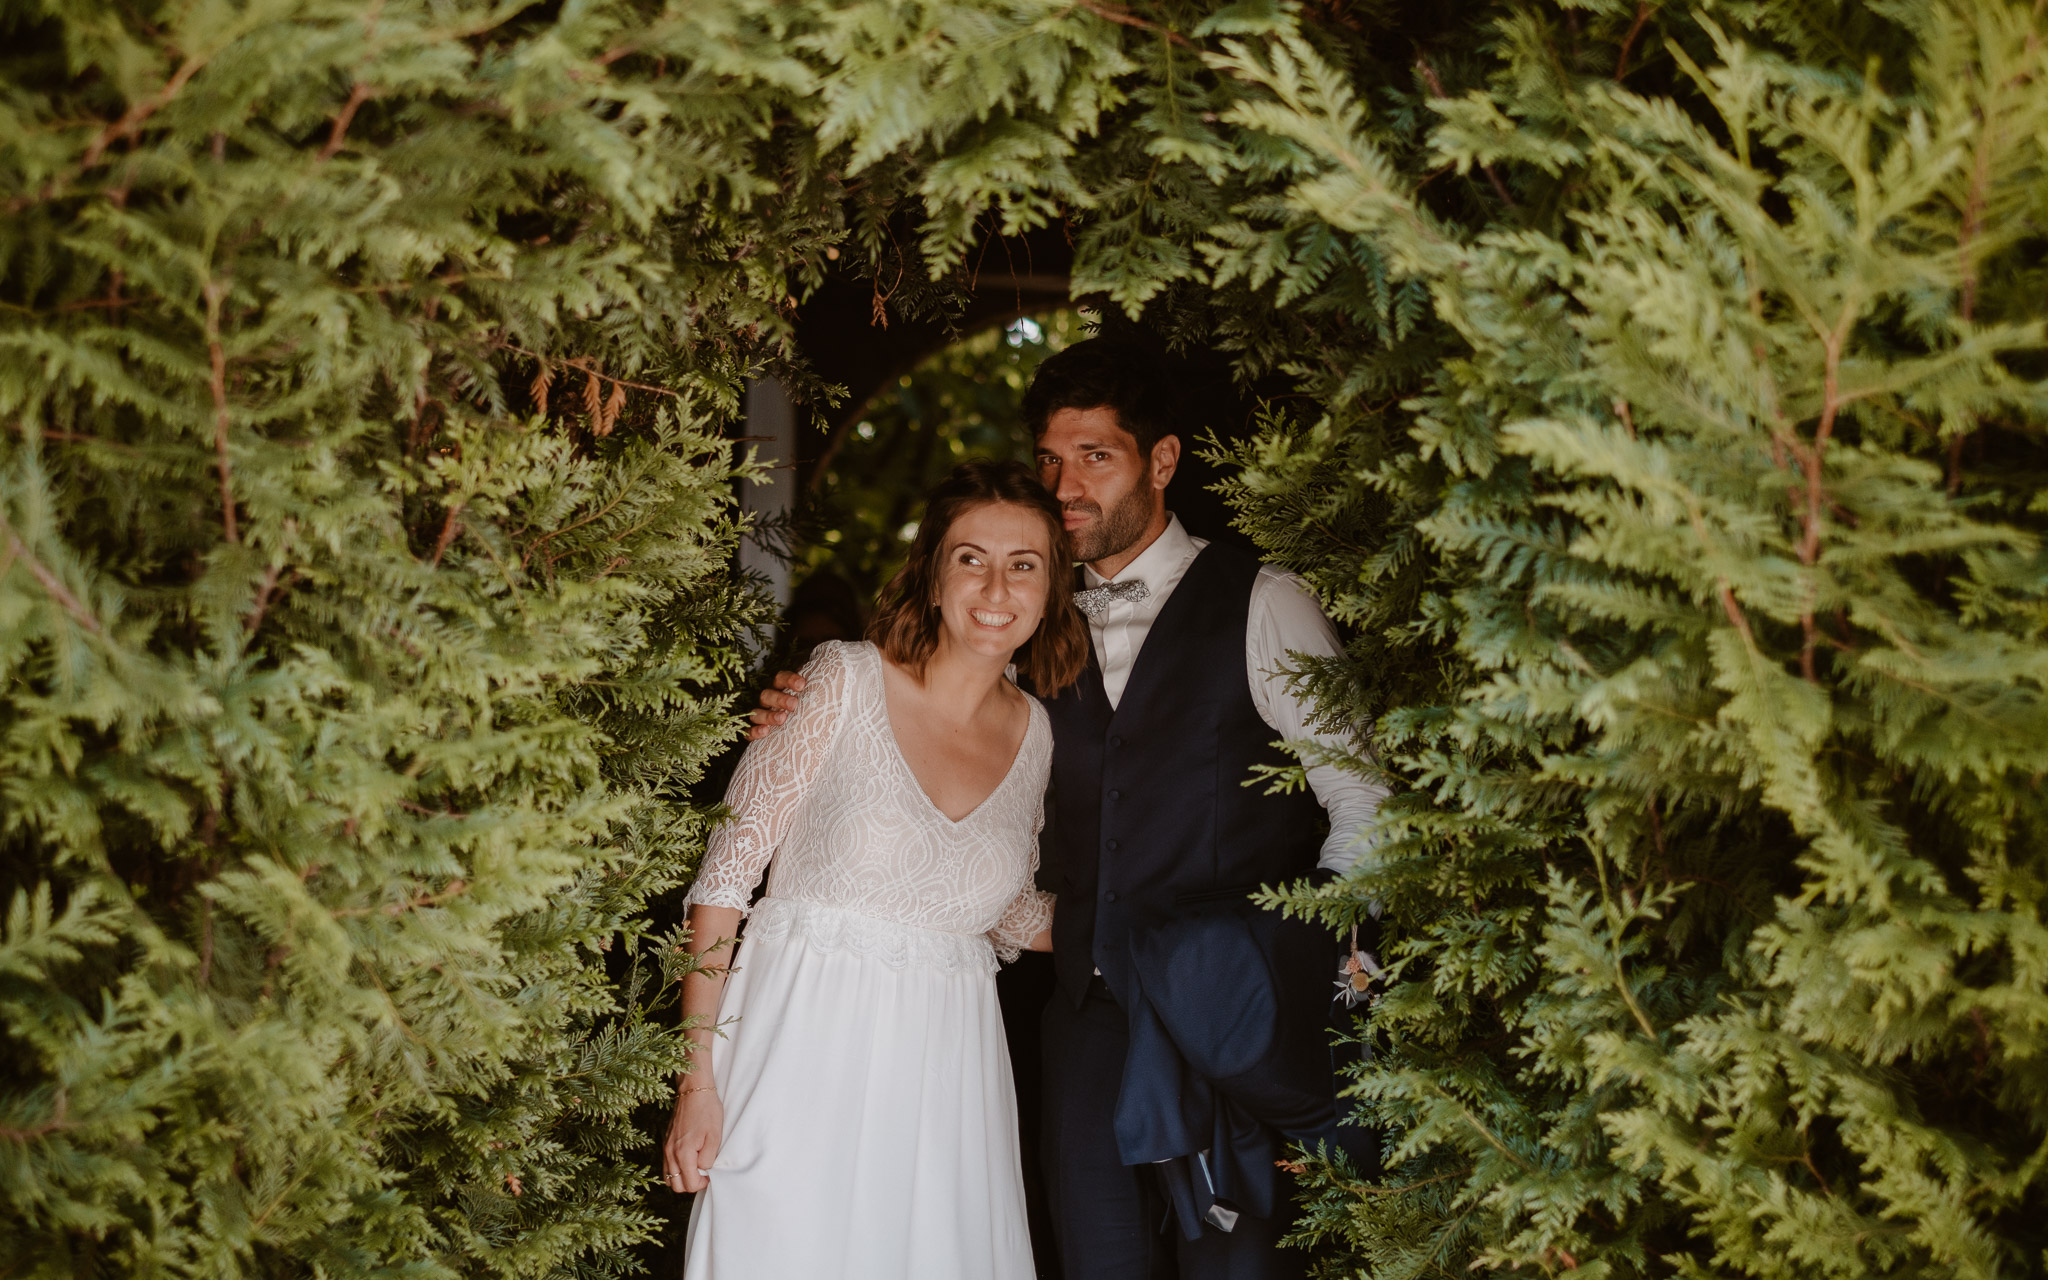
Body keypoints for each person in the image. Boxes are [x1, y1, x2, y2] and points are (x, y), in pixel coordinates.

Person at [754, 336, 1388, 1280]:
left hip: (1229, 1023)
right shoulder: (1021, 624)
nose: (1065, 485)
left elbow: (1366, 802)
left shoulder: (1264, 602)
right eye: (1051, 460)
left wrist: (1305, 969)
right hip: (1087, 1027)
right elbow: (928, 726)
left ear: (1161, 462)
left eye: (1096, 456)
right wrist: (817, 711)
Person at [664, 459, 1090, 1279]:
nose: (996, 585)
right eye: (971, 558)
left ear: (1050, 591)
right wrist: (698, 1082)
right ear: (934, 576)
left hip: (947, 1077)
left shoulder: (1036, 733)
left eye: (1024, 564)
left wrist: (1146, 925)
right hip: (797, 1050)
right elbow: (722, 887)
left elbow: (998, 912)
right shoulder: (840, 680)